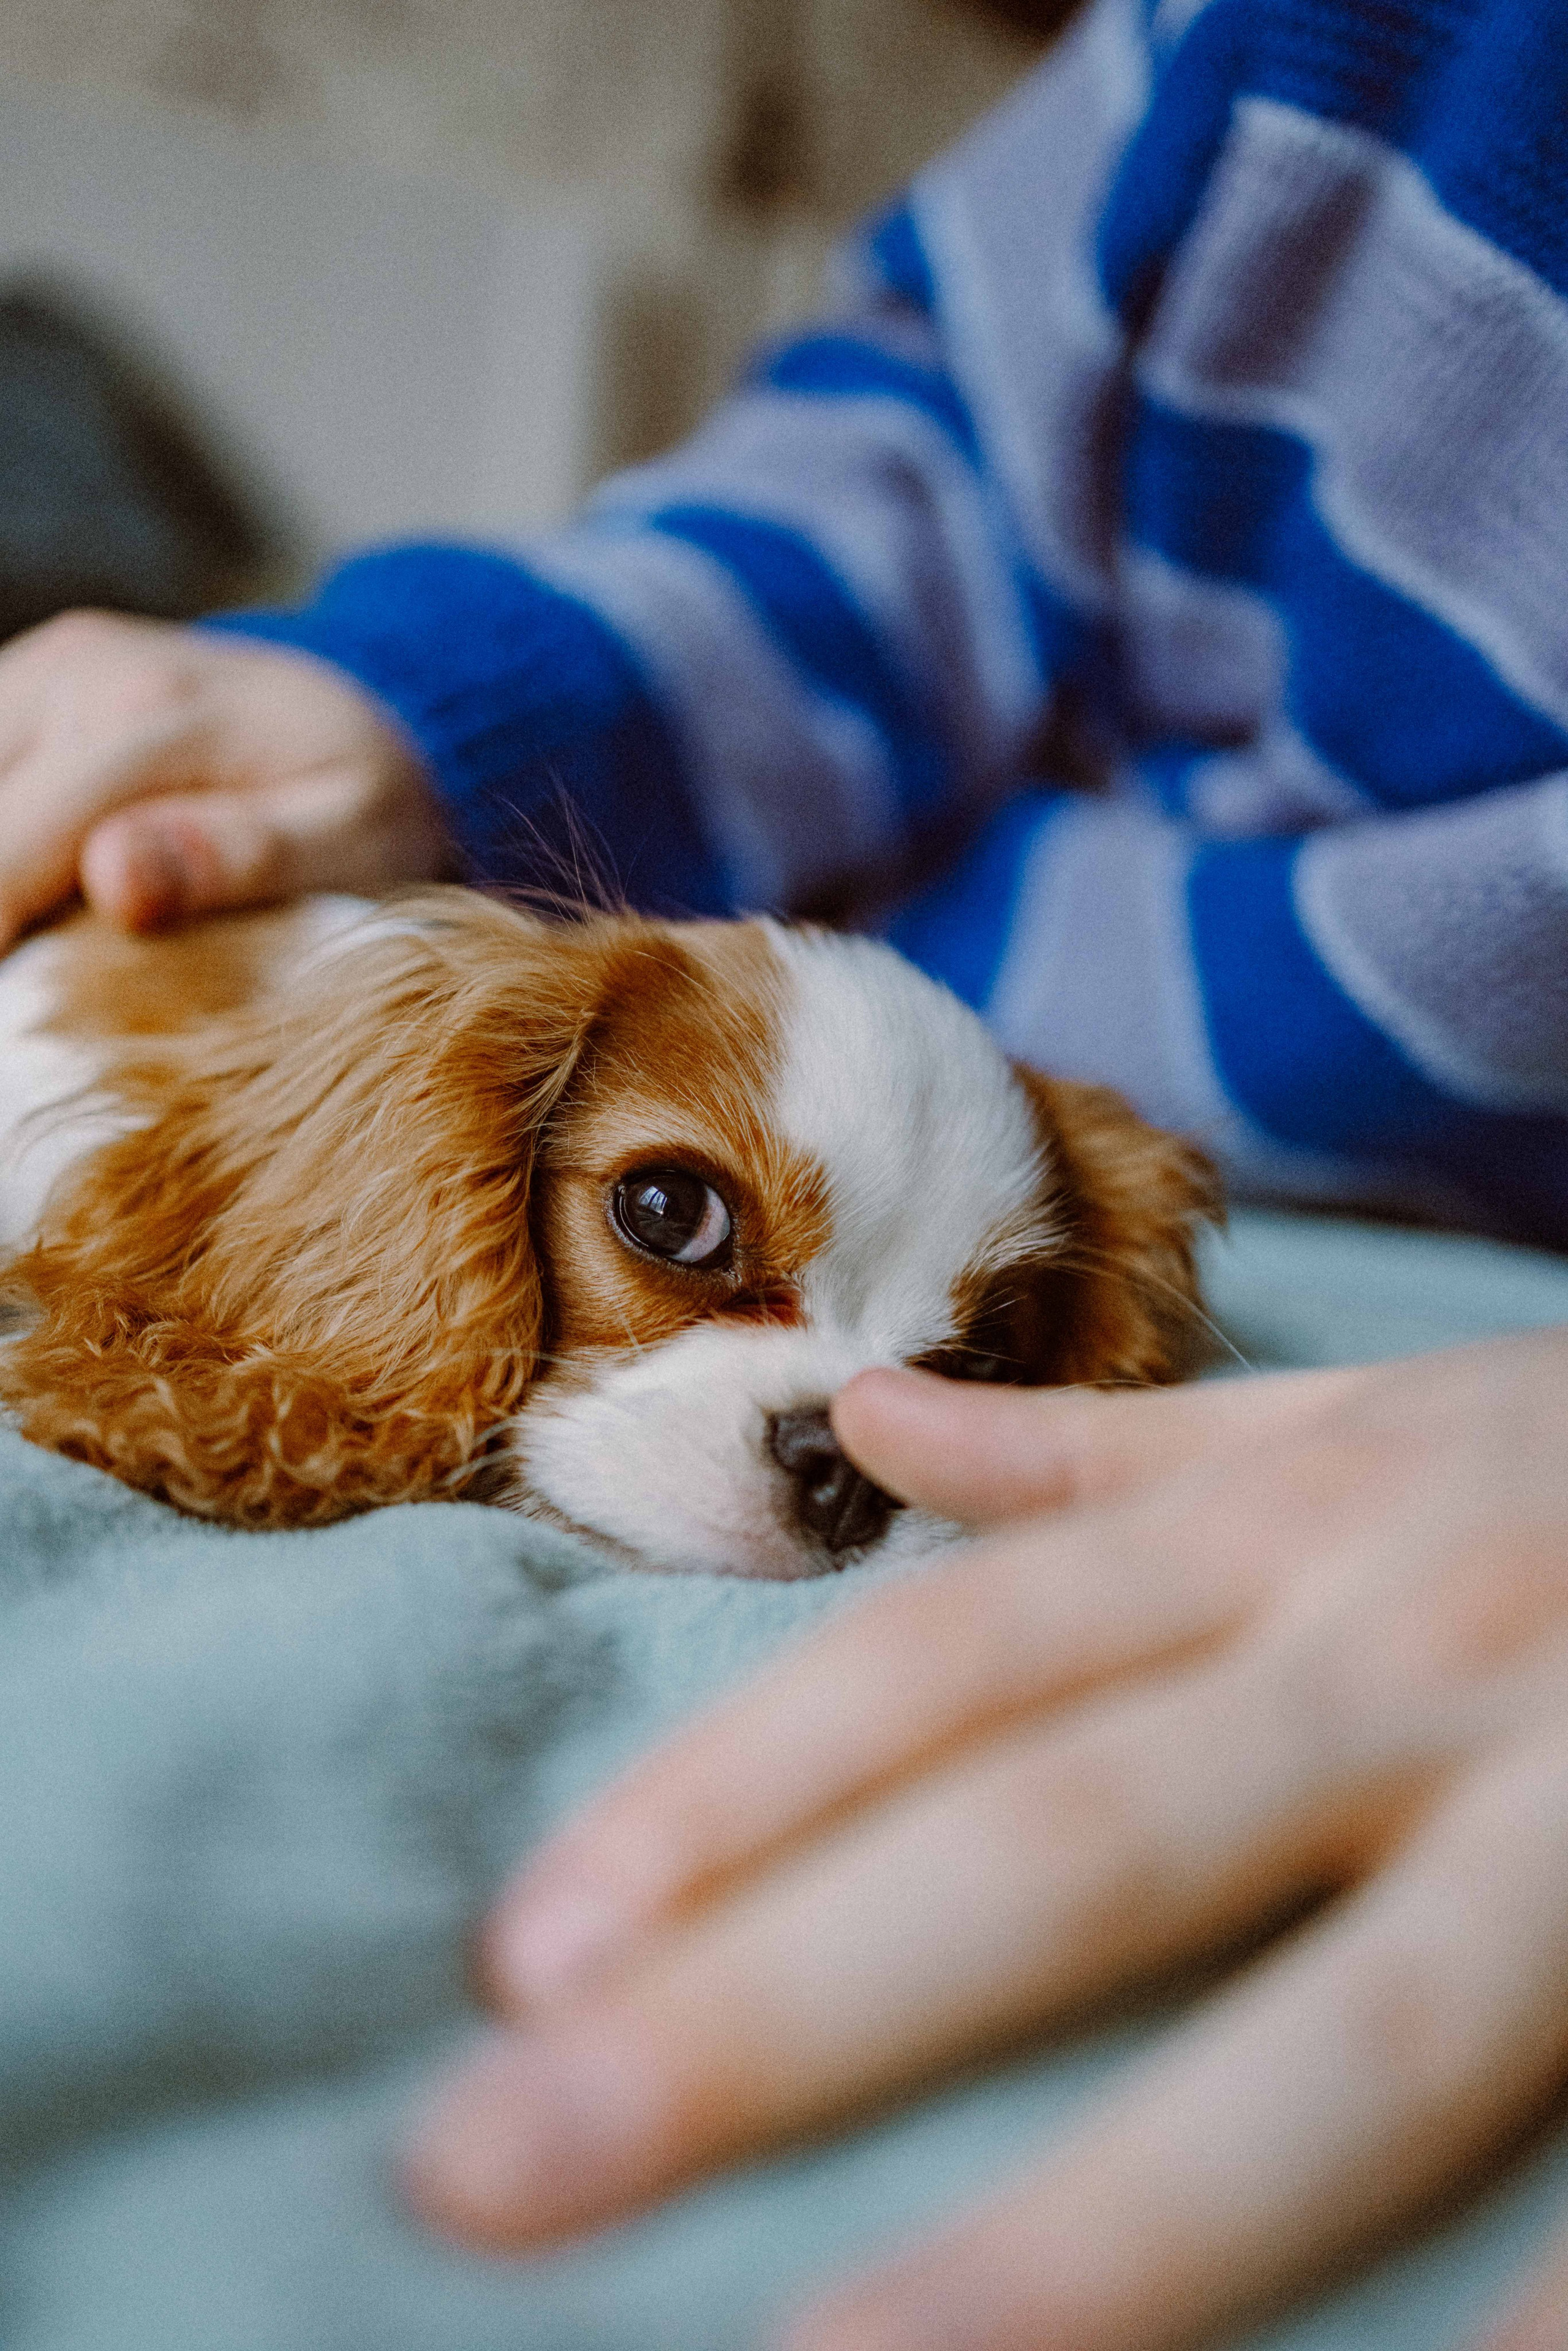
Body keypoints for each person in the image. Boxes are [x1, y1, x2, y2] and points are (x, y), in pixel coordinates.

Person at [0, 0, 1564, 2338]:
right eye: (678, 1226)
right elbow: (919, 484)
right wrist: (453, 693)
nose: (836, 1427)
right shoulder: (1313, 53)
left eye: (961, 1346)